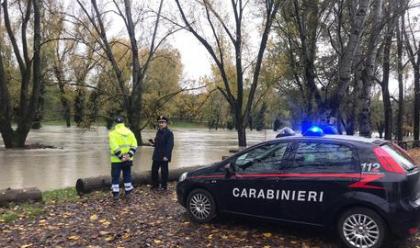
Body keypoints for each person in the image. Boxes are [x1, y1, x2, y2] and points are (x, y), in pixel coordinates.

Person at [108, 116, 138, 201]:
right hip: (128, 159)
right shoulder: (130, 132)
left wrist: (121, 156)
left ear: (115, 123)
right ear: (123, 123)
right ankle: (128, 193)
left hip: (116, 160)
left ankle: (116, 194)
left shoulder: (112, 133)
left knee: (115, 177)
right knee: (127, 175)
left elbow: (114, 146)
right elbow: (135, 145)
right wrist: (129, 155)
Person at [149, 116, 174, 191]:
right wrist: (153, 143)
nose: (161, 124)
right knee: (154, 170)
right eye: (160, 122)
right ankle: (155, 185)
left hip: (164, 156)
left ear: (166, 123)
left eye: (162, 122)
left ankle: (164, 186)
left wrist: (166, 156)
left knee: (164, 172)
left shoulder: (169, 133)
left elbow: (170, 145)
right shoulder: (158, 131)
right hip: (156, 154)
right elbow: (157, 143)